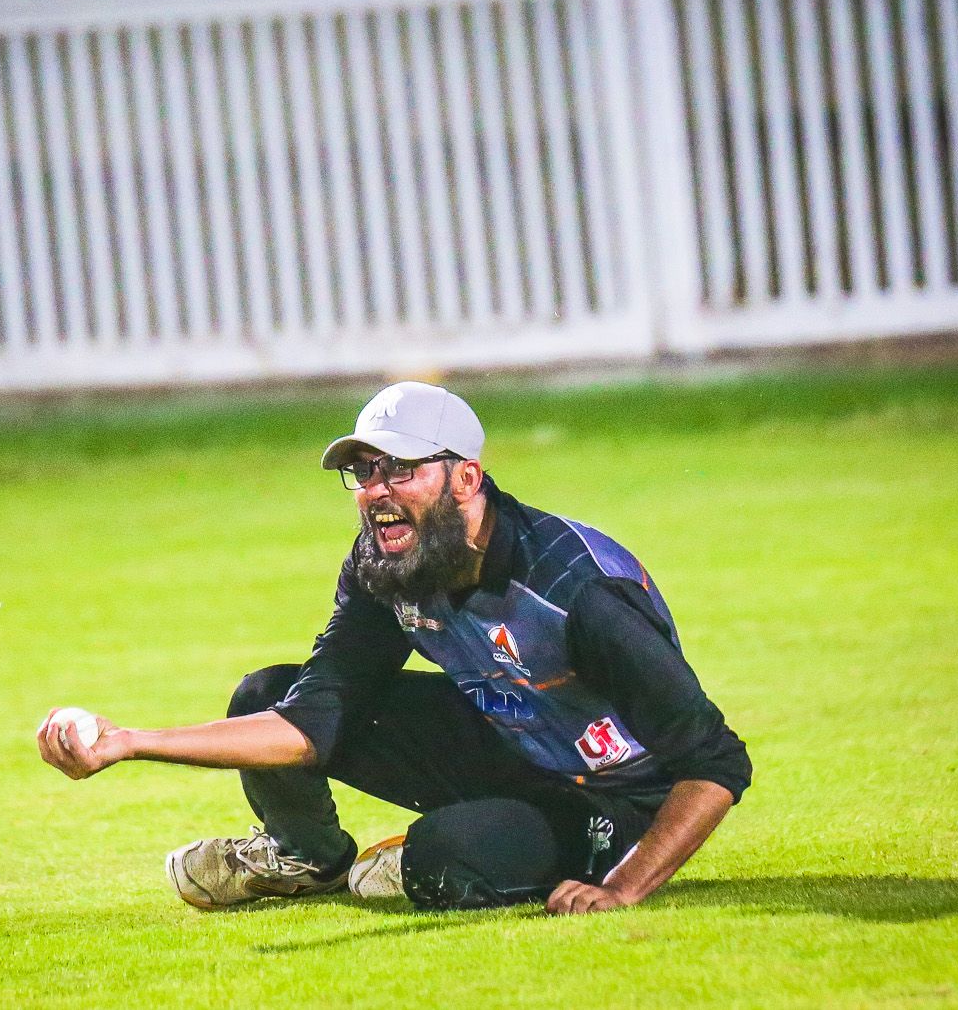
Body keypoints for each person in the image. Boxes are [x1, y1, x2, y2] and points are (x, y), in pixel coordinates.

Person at [37, 382, 751, 914]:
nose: (375, 491)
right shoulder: (388, 563)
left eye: (401, 469)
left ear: (466, 478)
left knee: (444, 859)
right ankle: (306, 858)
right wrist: (129, 742)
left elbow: (715, 761)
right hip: (509, 747)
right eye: (366, 471)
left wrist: (624, 886)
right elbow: (312, 719)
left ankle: (446, 849)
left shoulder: (578, 592)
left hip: (615, 800)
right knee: (265, 693)